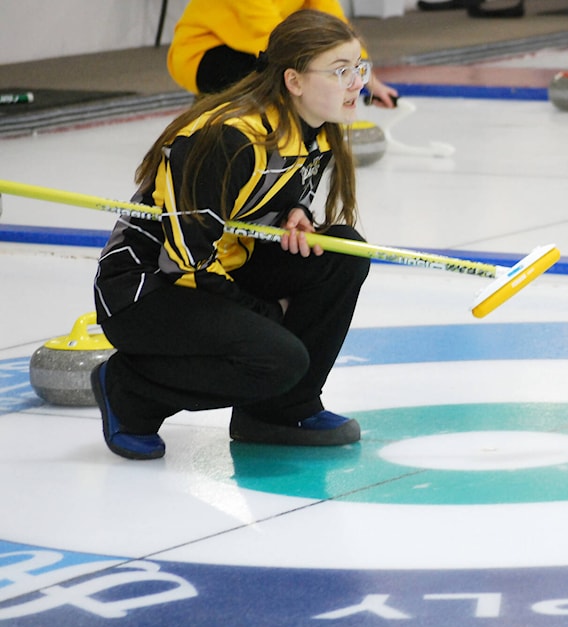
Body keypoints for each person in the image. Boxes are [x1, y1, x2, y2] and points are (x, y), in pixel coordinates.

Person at [91, 10, 372, 460]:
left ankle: (279, 410)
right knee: (279, 357)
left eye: (359, 68)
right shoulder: (230, 138)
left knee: (343, 251)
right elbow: (187, 264)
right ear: (294, 81)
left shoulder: (315, 131)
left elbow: (264, 200)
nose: (357, 82)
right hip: (148, 290)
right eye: (341, 72)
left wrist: (293, 213)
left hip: (222, 266)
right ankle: (130, 390)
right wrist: (267, 315)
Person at [167, 0, 398, 106]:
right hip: (203, 52)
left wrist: (367, 80)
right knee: (296, 79)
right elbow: (273, 34)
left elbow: (336, 26)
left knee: (307, 75)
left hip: (259, 49)